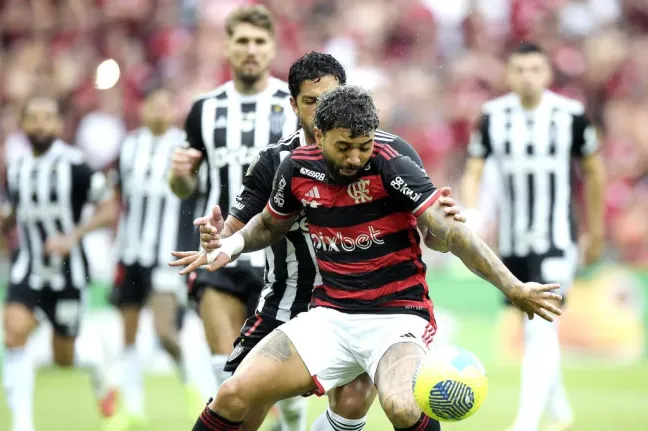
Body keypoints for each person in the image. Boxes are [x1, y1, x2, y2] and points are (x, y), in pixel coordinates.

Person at [171, 85, 563, 431]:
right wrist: (229, 246)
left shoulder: (392, 163)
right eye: (344, 146)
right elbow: (270, 226)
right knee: (233, 393)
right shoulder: (295, 168)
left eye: (364, 145)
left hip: (396, 318)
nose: (356, 157)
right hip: (330, 317)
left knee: (401, 405)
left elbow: (450, 234)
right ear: (319, 135)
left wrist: (514, 287)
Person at [191, 52, 466, 431]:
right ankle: (288, 419)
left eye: (329, 98)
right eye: (310, 101)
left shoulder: (389, 152)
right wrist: (218, 240)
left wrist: (442, 230)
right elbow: (245, 227)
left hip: (364, 302)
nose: (322, 108)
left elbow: (430, 233)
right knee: (239, 400)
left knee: (352, 402)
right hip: (288, 299)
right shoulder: (276, 161)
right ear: (293, 104)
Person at [460, 42, 605, 431]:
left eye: (535, 69)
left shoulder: (570, 115)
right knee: (534, 326)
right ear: (509, 74)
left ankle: (525, 423)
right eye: (520, 69)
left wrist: (596, 231)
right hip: (512, 242)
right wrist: (472, 216)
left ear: (547, 74)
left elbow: (594, 172)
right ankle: (560, 412)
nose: (528, 77)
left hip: (558, 238)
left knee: (541, 328)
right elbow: (474, 170)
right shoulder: (492, 117)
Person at [168, 4, 299, 401]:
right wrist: (179, 177)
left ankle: (288, 424)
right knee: (225, 368)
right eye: (242, 41)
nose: (250, 49)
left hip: (281, 258)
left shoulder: (293, 107)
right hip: (218, 253)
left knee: (283, 380)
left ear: (272, 48)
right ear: (227, 46)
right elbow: (185, 188)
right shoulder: (203, 110)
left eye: (259, 41)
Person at [1, 96, 119, 431]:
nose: (40, 124)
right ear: (23, 125)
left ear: (58, 125)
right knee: (14, 336)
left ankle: (99, 368)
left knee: (64, 358)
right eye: (33, 118)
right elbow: (13, 216)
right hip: (28, 269)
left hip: (69, 274)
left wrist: (73, 236)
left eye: (47, 118)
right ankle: (22, 424)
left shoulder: (76, 166)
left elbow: (109, 209)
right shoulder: (17, 169)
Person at [106, 87, 215, 430]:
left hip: (167, 253)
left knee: (165, 331)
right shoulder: (128, 146)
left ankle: (196, 391)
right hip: (129, 253)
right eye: (152, 104)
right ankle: (131, 409)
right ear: (142, 109)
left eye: (165, 104)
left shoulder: (185, 151)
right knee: (128, 334)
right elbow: (116, 197)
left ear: (173, 111)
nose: (158, 111)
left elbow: (199, 194)